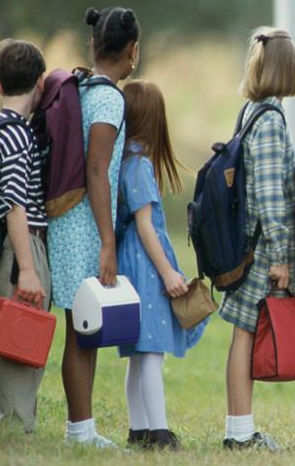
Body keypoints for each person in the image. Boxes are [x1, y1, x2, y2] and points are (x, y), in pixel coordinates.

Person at [48, 7, 139, 447]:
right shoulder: (109, 99)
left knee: (81, 326)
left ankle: (81, 428)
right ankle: (80, 430)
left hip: (68, 219)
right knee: (82, 330)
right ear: (133, 51)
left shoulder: (82, 87)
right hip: (85, 224)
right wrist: (108, 241)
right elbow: (98, 171)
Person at [220, 27, 295, 452]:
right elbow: (271, 194)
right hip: (263, 248)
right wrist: (282, 256)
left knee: (243, 333)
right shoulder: (268, 121)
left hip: (249, 241)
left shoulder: (251, 111)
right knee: (246, 334)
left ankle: (239, 427)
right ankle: (239, 432)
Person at [116, 80, 206, 451]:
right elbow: (144, 226)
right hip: (145, 266)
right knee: (151, 352)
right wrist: (168, 271)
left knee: (140, 354)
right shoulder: (138, 165)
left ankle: (139, 430)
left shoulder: (126, 160)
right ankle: (159, 432)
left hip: (134, 262)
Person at [0, 39, 49, 432]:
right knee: (17, 340)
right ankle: (13, 426)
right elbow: (14, 204)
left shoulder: (17, 131)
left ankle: (20, 421)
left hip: (28, 243)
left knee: (27, 337)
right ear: (40, 83)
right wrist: (26, 269)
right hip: (21, 246)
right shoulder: (12, 135)